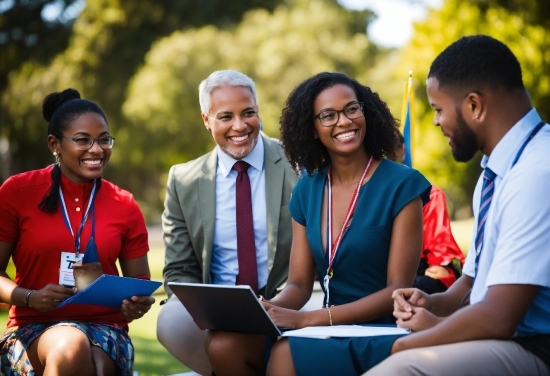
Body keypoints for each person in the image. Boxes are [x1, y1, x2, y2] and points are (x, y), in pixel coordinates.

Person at [204, 72, 431, 375]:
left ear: (365, 112)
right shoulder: (307, 188)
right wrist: (270, 309)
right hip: (327, 326)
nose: (344, 121)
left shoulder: (402, 184)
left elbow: (397, 288)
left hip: (381, 328)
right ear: (311, 129)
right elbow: (298, 285)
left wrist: (307, 320)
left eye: (352, 108)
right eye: (328, 115)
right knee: (224, 346)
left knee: (286, 354)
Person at [365, 35, 550, 375]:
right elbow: (468, 286)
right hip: (505, 337)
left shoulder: (537, 173)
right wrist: (431, 303)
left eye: (438, 109)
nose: (436, 122)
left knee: (397, 368)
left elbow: (498, 317)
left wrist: (408, 342)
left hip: (535, 345)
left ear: (474, 105)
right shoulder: (493, 174)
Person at [0, 89, 154, 376]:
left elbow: (139, 281)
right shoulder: (16, 192)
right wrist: (30, 297)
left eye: (104, 139)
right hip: (33, 328)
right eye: (83, 140)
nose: (97, 149)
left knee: (89, 360)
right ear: (54, 144)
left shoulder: (124, 203)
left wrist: (137, 304)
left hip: (106, 330)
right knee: (71, 345)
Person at [156, 70, 297, 375]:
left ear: (258, 111)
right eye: (225, 117)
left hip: (292, 299)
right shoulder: (184, 180)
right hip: (221, 307)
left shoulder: (297, 165)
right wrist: (206, 309)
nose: (239, 126)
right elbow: (179, 269)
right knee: (170, 319)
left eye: (248, 113)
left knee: (227, 347)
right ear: (206, 119)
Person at [391, 133, 464, 294]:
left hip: (418, 272)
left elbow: (439, 257)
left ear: (403, 150)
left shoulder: (429, 195)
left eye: (390, 151)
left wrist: (438, 266)